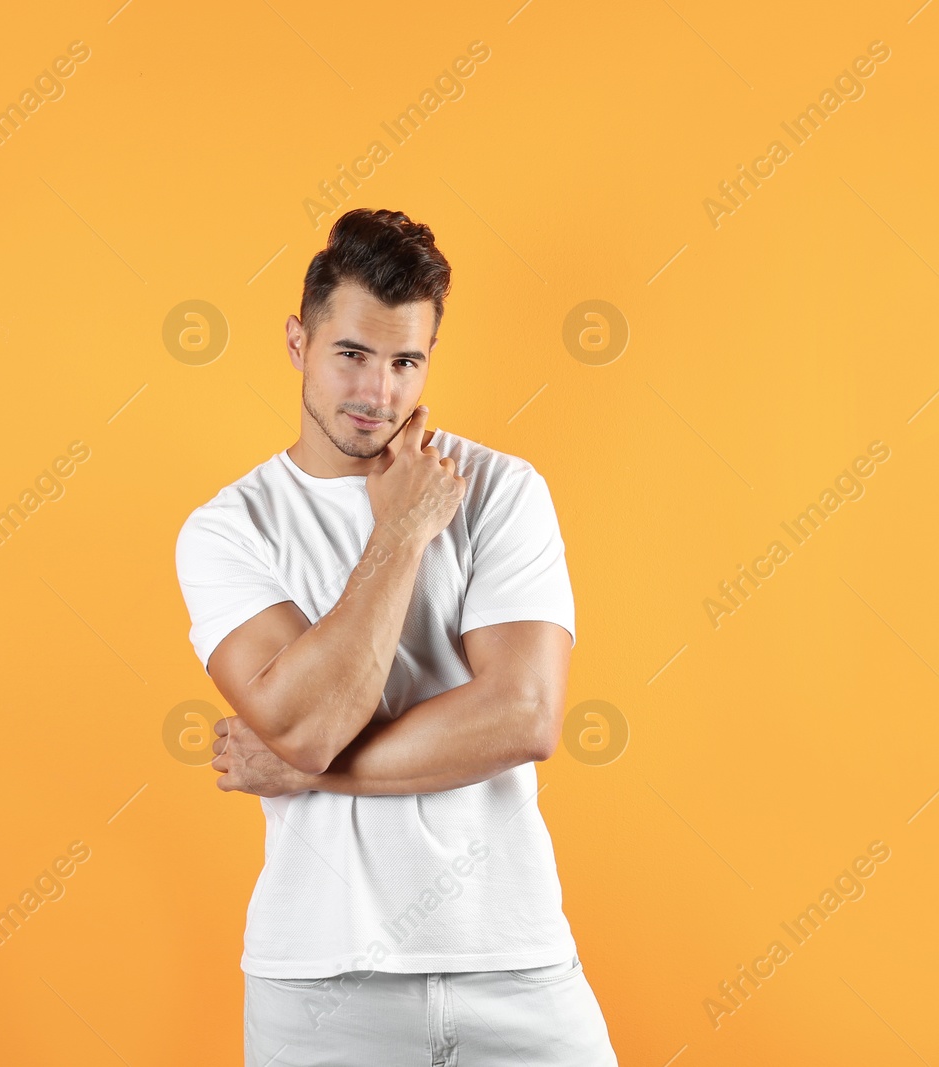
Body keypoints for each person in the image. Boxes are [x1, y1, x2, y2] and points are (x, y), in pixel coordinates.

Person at [175, 207, 619, 1065]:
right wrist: (402, 533)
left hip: (513, 960)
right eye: (352, 354)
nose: (379, 392)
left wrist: (308, 768)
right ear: (299, 344)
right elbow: (306, 724)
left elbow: (524, 716)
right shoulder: (229, 529)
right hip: (319, 982)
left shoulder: (501, 490)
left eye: (405, 361)